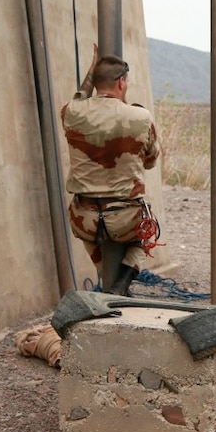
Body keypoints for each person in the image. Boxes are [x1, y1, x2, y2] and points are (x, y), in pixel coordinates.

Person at [61, 46, 161, 296]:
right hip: (124, 219)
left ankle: (107, 277)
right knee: (149, 232)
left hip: (85, 220)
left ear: (95, 81)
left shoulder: (71, 112)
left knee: (89, 232)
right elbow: (150, 160)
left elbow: (80, 95)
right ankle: (121, 285)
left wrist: (91, 70)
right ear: (122, 82)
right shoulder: (140, 117)